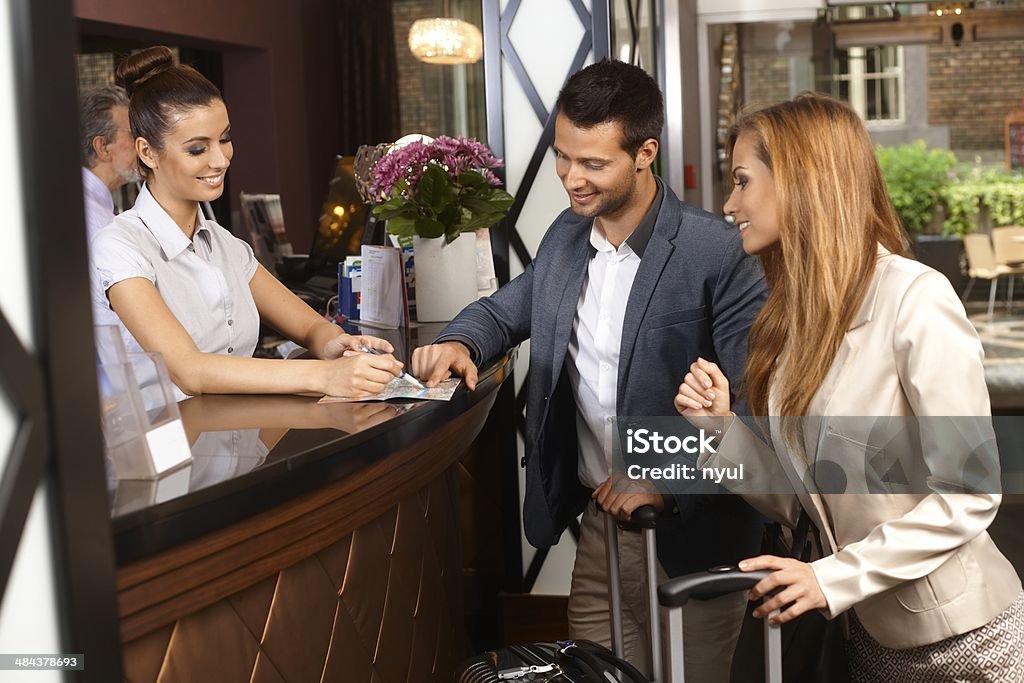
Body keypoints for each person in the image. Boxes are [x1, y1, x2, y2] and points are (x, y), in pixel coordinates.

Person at [413, 59, 767, 679]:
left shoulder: (720, 254)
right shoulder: (566, 237)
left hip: (690, 533)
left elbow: (756, 416)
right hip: (601, 525)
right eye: (562, 156)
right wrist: (461, 342)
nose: (572, 179)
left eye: (593, 164)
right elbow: (507, 309)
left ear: (644, 153)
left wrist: (663, 478)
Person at [676, 93, 1024, 682]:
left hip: (960, 642)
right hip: (866, 635)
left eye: (741, 181)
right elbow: (805, 502)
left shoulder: (916, 299)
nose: (729, 203)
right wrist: (720, 429)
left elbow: (968, 494)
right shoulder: (793, 321)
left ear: (802, 180)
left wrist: (829, 578)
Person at [90, 46, 402, 399]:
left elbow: (310, 326)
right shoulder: (119, 247)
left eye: (224, 138)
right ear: (148, 152)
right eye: (197, 149)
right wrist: (325, 375)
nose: (220, 159)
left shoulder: (224, 245)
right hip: (167, 447)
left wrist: (338, 345)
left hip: (237, 438)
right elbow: (190, 371)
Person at [79, 85, 139, 242]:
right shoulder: (95, 221)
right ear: (103, 147)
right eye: (133, 134)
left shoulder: (91, 204)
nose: (143, 144)